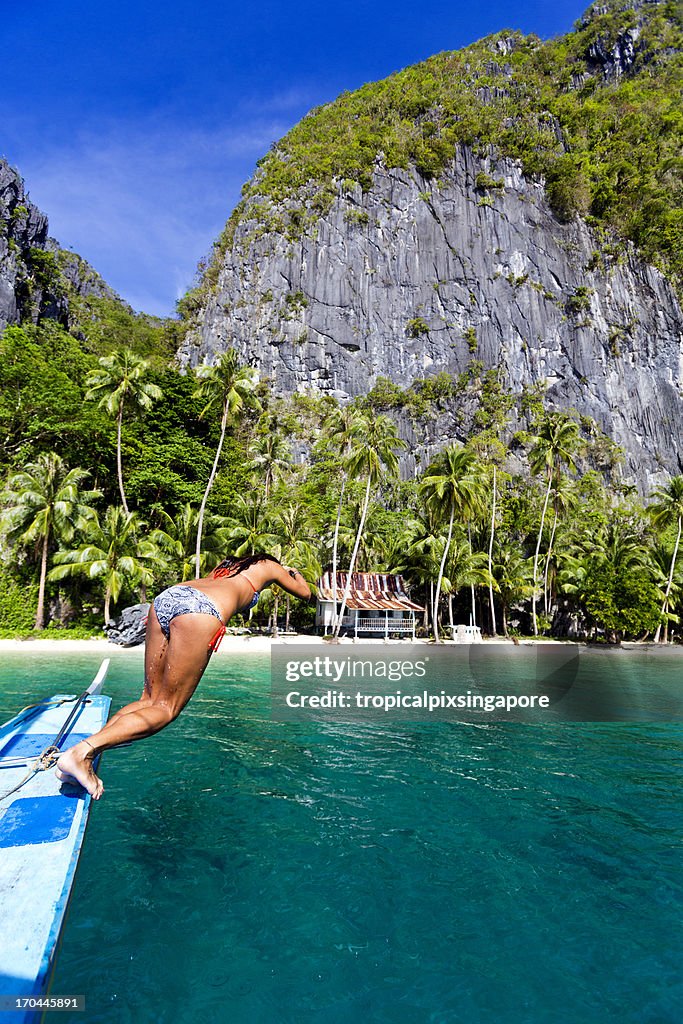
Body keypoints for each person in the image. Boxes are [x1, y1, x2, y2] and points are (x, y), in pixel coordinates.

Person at [55, 554, 311, 799]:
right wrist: (292, 573)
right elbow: (305, 592)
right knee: (166, 708)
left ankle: (83, 754)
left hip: (170, 597)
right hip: (201, 610)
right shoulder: (269, 565)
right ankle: (81, 754)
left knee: (148, 699)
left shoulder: (228, 566)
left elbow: (209, 586)